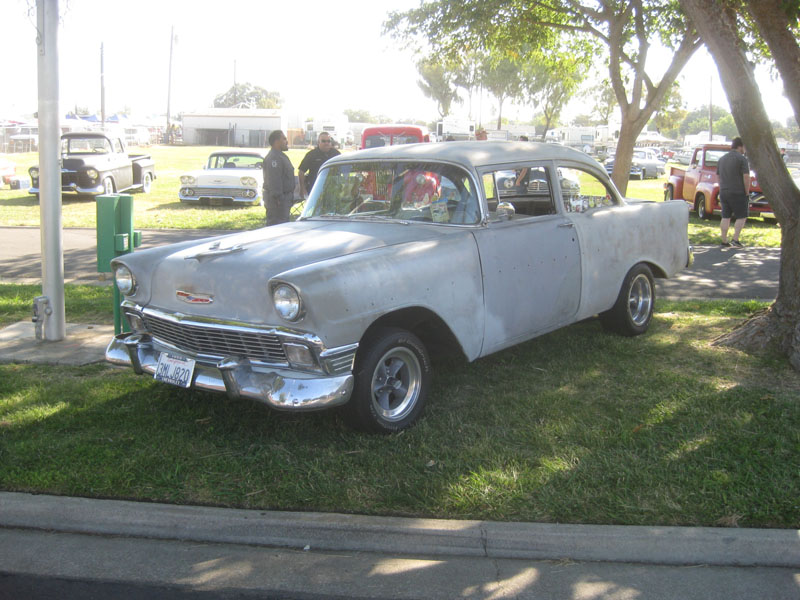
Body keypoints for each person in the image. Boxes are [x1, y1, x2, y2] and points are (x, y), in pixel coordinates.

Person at [716, 136, 750, 248]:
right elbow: (746, 176)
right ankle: (735, 239)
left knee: (725, 216)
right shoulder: (742, 159)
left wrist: (722, 187)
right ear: (740, 146)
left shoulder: (722, 159)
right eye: (744, 146)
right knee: (742, 216)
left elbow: (718, 176)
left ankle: (724, 240)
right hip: (738, 191)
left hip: (724, 191)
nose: (745, 149)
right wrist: (747, 191)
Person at [263, 130, 295, 226]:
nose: (286, 141)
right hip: (278, 202)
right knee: (277, 226)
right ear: (277, 142)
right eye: (284, 139)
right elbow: (274, 179)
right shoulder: (274, 158)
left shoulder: (280, 156)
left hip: (284, 199)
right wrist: (279, 199)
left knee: (283, 225)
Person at [297, 133, 340, 199]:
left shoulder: (336, 154)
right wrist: (302, 188)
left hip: (333, 189)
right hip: (315, 189)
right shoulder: (311, 154)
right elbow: (301, 171)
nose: (326, 143)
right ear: (318, 142)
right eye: (323, 141)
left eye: (328, 141)